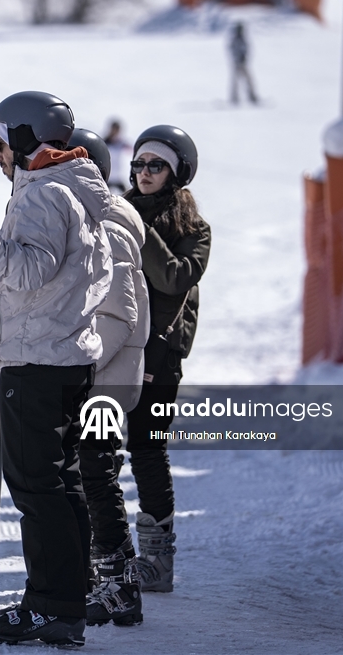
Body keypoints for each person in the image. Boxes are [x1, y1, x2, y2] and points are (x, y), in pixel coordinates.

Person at [0, 91, 112, 648]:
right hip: (64, 354)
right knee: (62, 482)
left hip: (38, 360)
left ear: (28, 139)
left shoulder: (43, 195)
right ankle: (71, 596)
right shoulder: (72, 186)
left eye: (3, 142)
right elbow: (42, 277)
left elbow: (29, 271)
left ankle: (53, 608)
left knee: (37, 487)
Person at [123, 125, 211, 598]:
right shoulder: (118, 210)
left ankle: (156, 559)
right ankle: (109, 552)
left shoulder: (193, 229)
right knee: (94, 447)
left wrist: (137, 229)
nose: (143, 173)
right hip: (113, 352)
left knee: (146, 448)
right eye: (137, 164)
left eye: (154, 165)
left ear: (174, 173)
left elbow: (175, 279)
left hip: (160, 357)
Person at [67, 128, 149, 627]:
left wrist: (72, 363)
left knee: (96, 478)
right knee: (84, 478)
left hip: (104, 384)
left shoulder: (110, 227)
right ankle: (99, 579)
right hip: (97, 378)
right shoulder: (90, 219)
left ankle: (119, 585)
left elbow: (117, 318)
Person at [228, 22, 259, 105]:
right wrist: (237, 59)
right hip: (237, 63)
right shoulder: (235, 39)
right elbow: (232, 50)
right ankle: (234, 98)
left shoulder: (242, 39)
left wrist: (245, 58)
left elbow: (246, 49)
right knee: (236, 81)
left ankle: (251, 96)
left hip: (243, 63)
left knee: (248, 80)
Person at [103, 120, 131, 194]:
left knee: (125, 196)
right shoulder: (104, 142)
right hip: (108, 176)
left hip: (118, 176)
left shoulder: (121, 142)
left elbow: (131, 148)